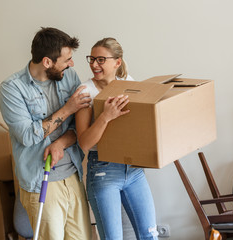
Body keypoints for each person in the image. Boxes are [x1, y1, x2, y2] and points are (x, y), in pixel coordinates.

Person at [0, 27, 92, 240]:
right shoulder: (12, 89)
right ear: (47, 62)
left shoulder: (70, 77)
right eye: (66, 59)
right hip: (41, 181)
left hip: (73, 175)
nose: (72, 64)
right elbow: (28, 136)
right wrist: (68, 108)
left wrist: (59, 144)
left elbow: (80, 127)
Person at [76, 37, 159, 240]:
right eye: (92, 59)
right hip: (103, 172)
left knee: (150, 236)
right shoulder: (85, 92)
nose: (94, 65)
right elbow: (84, 142)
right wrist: (105, 116)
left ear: (117, 62)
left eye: (101, 60)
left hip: (134, 170)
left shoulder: (130, 85)